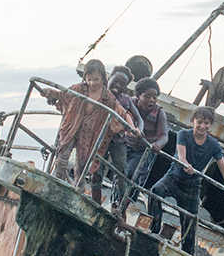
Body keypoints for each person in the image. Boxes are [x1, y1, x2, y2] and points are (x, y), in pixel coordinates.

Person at [39, 59, 134, 204]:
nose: (93, 83)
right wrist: (49, 92)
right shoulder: (79, 89)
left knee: (82, 167)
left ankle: (75, 197)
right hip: (72, 128)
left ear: (103, 77)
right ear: (85, 79)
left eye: (96, 79)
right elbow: (63, 94)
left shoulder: (108, 97)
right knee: (62, 158)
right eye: (89, 79)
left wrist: (132, 127)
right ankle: (54, 189)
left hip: (90, 136)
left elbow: (121, 112)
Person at [148, 106, 224, 256]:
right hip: (174, 176)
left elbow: (223, 166)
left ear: (210, 125)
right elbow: (181, 154)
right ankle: (153, 231)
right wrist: (185, 164)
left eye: (207, 123)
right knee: (156, 191)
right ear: (193, 121)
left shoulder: (213, 144)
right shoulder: (184, 134)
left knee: (190, 220)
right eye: (200, 122)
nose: (203, 126)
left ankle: (187, 253)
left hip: (192, 184)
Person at [123, 77, 168, 205]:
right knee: (119, 172)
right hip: (125, 143)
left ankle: (125, 205)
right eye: (148, 96)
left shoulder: (159, 112)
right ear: (138, 96)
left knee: (133, 174)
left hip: (144, 150)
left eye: (154, 97)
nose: (152, 100)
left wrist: (157, 145)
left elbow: (164, 135)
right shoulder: (129, 103)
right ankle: (115, 202)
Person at [105, 66, 142, 213]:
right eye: (116, 81)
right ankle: (93, 200)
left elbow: (136, 117)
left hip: (118, 140)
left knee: (121, 173)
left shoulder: (125, 100)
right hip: (99, 139)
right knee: (95, 171)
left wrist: (138, 129)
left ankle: (120, 209)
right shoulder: (101, 93)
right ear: (109, 78)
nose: (117, 85)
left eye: (122, 84)